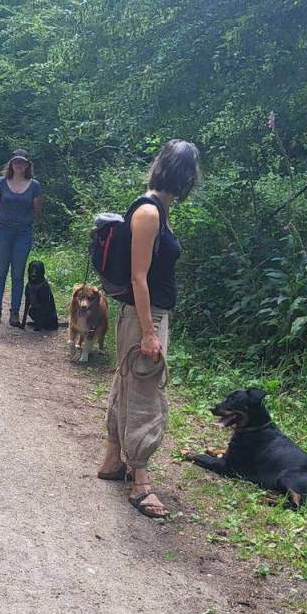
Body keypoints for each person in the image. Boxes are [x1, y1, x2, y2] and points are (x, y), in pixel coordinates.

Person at [98, 139, 201, 519]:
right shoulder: (149, 213)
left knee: (126, 383)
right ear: (186, 174)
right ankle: (140, 481)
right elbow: (139, 278)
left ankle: (112, 460)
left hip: (148, 315)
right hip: (146, 315)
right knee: (144, 390)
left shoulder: (159, 210)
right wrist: (149, 331)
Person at [0, 148, 43, 326]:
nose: (19, 164)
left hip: (23, 233)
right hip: (2, 232)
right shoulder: (0, 183)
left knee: (18, 274)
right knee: (0, 271)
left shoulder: (34, 185)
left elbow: (36, 211)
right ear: (11, 164)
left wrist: (21, 222)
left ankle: (14, 313)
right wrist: (6, 221)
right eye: (16, 161)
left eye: (23, 162)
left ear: (27, 165)